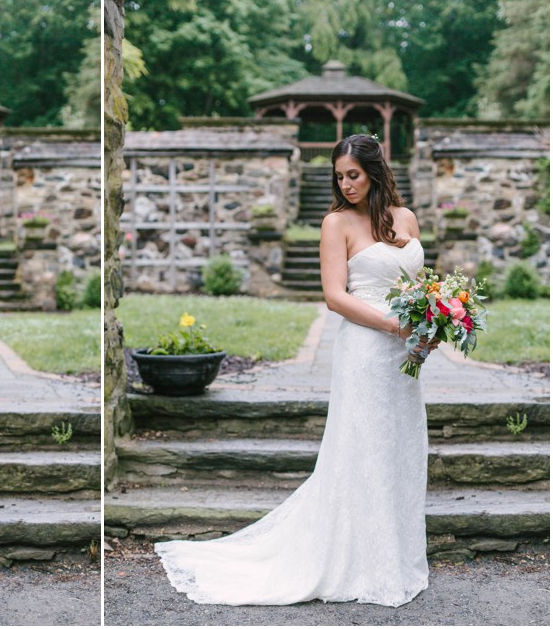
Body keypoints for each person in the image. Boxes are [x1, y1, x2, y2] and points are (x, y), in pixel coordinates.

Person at [155, 133, 439, 607]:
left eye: (354, 175)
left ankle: (396, 554)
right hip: (367, 348)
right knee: (363, 447)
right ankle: (359, 561)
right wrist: (392, 326)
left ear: (375, 170)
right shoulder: (336, 223)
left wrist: (430, 322)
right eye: (340, 176)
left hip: (404, 352)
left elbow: (417, 283)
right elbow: (335, 296)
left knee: (401, 445)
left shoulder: (406, 218)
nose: (346, 184)